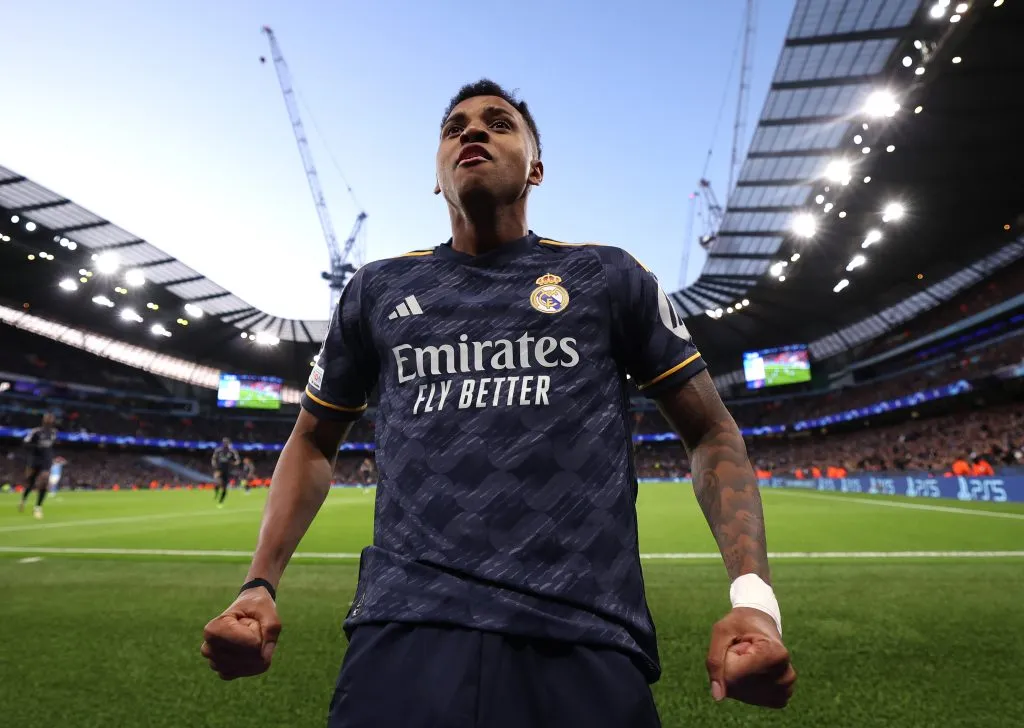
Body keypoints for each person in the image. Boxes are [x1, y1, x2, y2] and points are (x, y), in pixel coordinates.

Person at [202, 80, 796, 726]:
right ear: (437, 175)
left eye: (498, 123)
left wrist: (754, 599)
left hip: (585, 633)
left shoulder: (607, 277)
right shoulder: (376, 289)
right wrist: (259, 584)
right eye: (454, 127)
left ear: (536, 168)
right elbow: (313, 441)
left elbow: (711, 433)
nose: (471, 132)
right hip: (403, 629)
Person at [18, 413, 59, 519]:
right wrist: (36, 447)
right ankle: (23, 499)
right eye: (48, 418)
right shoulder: (36, 432)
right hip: (35, 460)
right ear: (44, 420)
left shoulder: (54, 433)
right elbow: (25, 443)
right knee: (30, 483)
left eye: (51, 419)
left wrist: (50, 457)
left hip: (46, 461)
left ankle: (38, 507)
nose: (50, 421)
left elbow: (51, 446)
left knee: (44, 481)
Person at [210, 438, 240, 508]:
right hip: (219, 470)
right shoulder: (218, 450)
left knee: (224, 487)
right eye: (224, 442)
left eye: (226, 442)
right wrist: (214, 464)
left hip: (227, 471)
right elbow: (213, 458)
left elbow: (238, 460)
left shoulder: (232, 451)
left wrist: (234, 463)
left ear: (228, 443)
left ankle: (221, 501)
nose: (225, 444)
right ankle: (216, 493)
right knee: (217, 482)